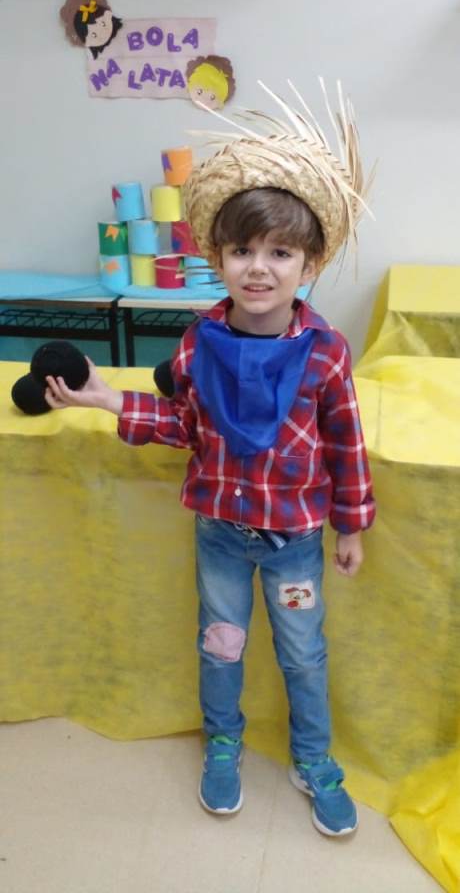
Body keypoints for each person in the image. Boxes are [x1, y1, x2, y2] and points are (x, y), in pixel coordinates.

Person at [45, 80, 376, 838]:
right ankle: (222, 743)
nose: (259, 268)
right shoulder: (199, 342)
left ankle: (313, 759)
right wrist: (108, 400)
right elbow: (184, 425)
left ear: (309, 262)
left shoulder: (325, 353)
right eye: (241, 251)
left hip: (296, 542)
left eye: (280, 252)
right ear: (218, 258)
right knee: (221, 646)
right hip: (222, 534)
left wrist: (352, 525)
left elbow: (346, 443)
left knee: (303, 655)